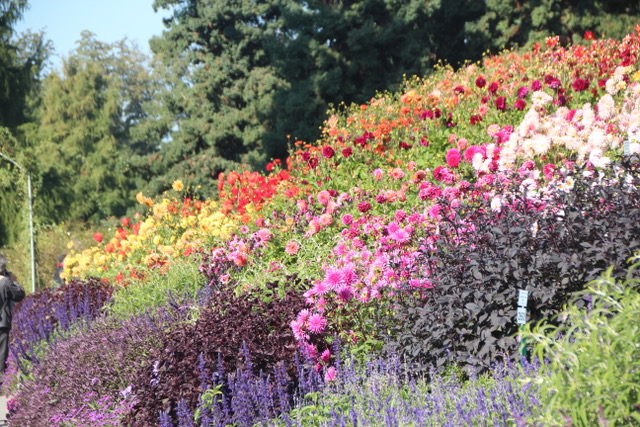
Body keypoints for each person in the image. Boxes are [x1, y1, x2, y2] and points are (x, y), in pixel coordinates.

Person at [0, 254, 25, 373]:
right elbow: (19, 295)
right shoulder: (5, 282)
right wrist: (14, 281)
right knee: (1, 353)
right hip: (2, 323)